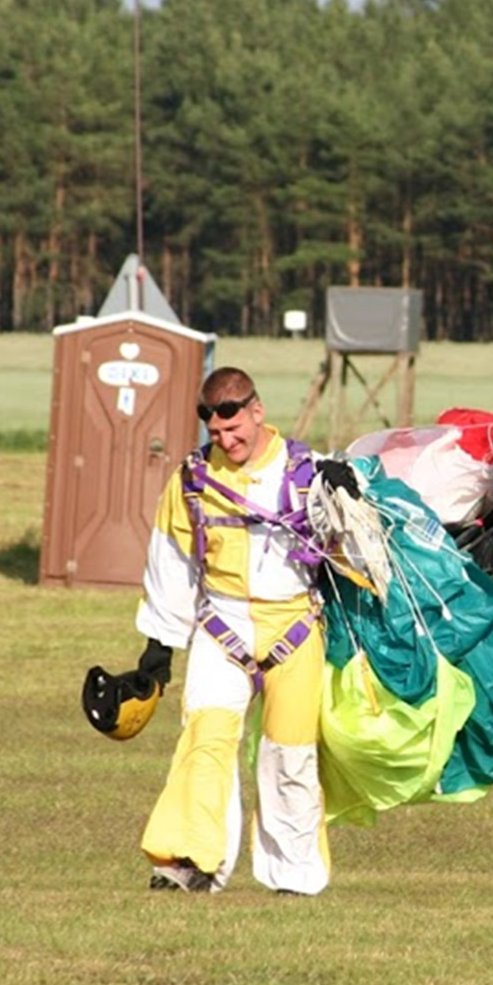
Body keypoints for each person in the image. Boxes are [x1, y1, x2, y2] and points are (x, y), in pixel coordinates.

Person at [119, 366, 351, 896]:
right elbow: (171, 561)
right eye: (217, 435)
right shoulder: (192, 481)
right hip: (221, 626)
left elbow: (350, 552)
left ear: (257, 411)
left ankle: (294, 875)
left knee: (290, 753)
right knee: (205, 740)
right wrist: (159, 647)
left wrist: (347, 498)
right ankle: (190, 863)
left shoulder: (311, 471)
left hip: (294, 626)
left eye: (235, 430)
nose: (227, 442)